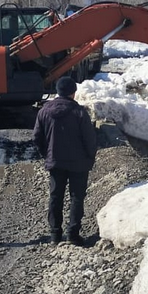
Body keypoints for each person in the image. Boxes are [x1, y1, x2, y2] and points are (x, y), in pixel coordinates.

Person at [33, 75, 98, 245]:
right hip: (79, 164)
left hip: (55, 161)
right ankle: (73, 235)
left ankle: (55, 234)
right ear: (73, 93)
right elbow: (89, 139)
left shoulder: (44, 111)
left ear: (57, 91)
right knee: (77, 197)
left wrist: (46, 155)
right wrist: (90, 157)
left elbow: (37, 138)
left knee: (56, 196)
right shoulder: (79, 112)